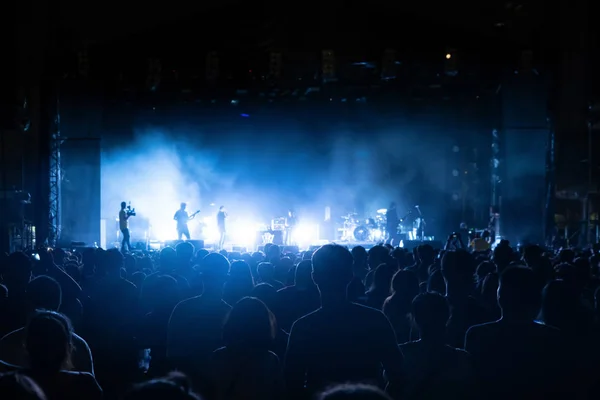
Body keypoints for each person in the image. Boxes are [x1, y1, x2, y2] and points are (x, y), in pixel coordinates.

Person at [284, 244, 403, 399]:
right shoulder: (375, 320)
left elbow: (292, 385)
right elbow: (398, 374)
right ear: (350, 275)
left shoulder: (303, 327)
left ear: (314, 277)